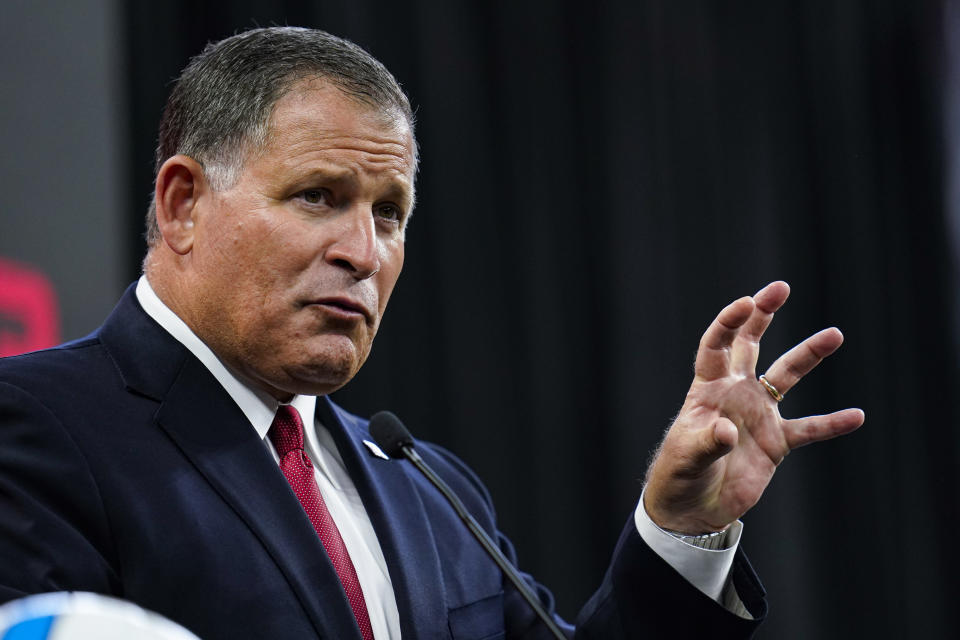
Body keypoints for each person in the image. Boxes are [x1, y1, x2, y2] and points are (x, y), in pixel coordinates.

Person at [0, 27, 863, 639]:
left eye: (391, 213)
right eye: (319, 197)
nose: (363, 252)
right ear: (183, 203)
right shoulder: (36, 430)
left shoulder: (430, 489)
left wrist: (679, 529)